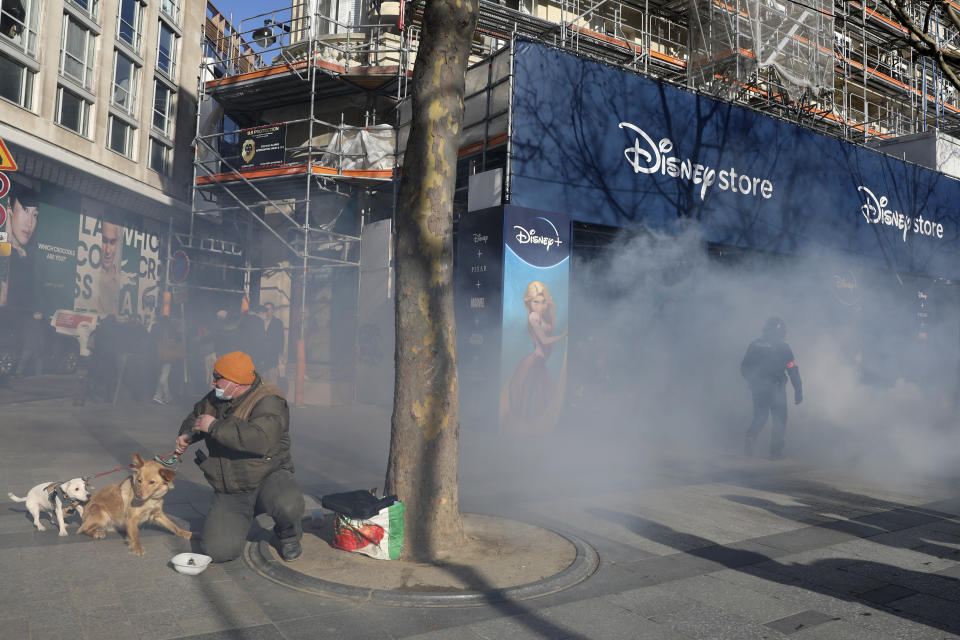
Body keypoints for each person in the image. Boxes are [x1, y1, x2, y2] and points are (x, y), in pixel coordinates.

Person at [173, 350, 305, 563]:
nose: (213, 381)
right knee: (217, 551)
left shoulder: (269, 400)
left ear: (236, 382)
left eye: (218, 377)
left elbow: (260, 439)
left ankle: (288, 534)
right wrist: (187, 434)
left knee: (287, 503)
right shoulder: (217, 396)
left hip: (267, 476)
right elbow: (197, 416)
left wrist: (214, 426)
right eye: (214, 376)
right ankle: (244, 512)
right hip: (232, 486)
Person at [499, 281, 568, 435]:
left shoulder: (544, 316)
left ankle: (533, 434)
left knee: (538, 399)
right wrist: (563, 335)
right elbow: (544, 340)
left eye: (543, 302)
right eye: (536, 302)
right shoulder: (533, 317)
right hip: (534, 361)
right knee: (528, 399)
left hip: (540, 363)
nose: (540, 306)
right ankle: (522, 434)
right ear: (529, 303)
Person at [740, 316, 803, 459]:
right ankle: (775, 452)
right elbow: (792, 369)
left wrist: (753, 382)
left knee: (761, 417)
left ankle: (751, 440)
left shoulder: (755, 345)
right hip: (776, 388)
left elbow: (744, 368)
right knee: (779, 420)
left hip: (763, 389)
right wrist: (798, 390)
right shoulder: (783, 347)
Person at [0, 184, 39, 310]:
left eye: (35, 215)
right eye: (25, 210)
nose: (30, 223)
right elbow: (2, 298)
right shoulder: (3, 250)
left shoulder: (29, 257)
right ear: (9, 207)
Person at [262, 302, 285, 384]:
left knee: (272, 380)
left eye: (269, 309)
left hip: (272, 356)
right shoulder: (261, 322)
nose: (267, 311)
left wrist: (280, 354)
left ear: (273, 310)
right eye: (266, 309)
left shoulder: (278, 323)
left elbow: (281, 339)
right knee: (262, 381)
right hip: (262, 357)